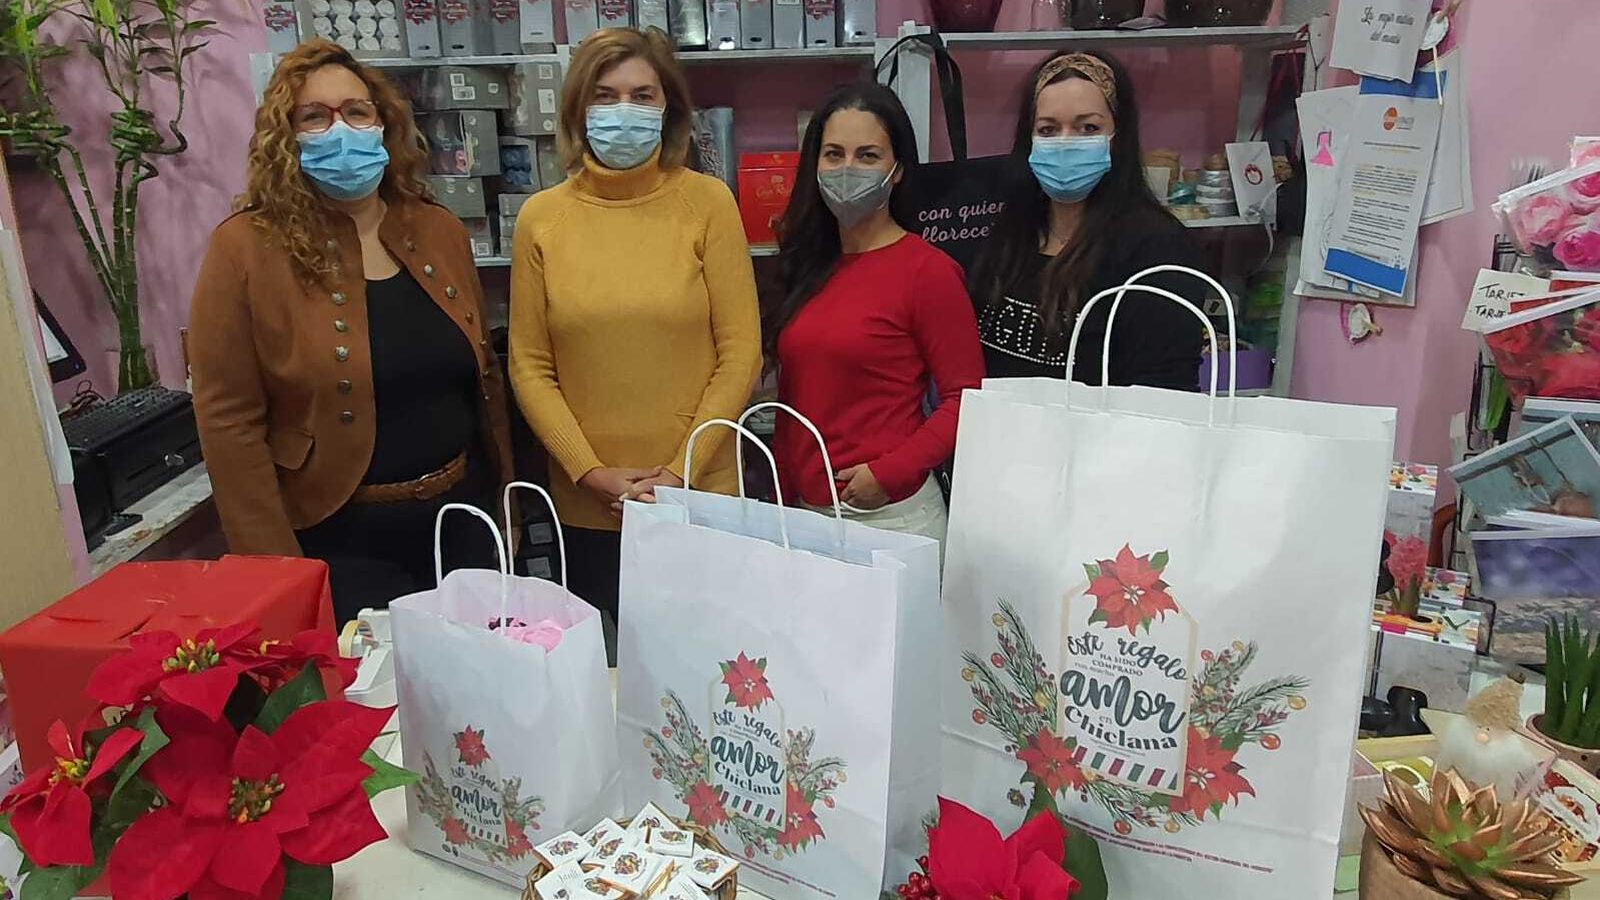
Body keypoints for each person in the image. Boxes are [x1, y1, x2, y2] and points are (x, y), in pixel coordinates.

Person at [189, 39, 512, 624]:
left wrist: (505, 504)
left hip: (463, 525)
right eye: (316, 116)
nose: (342, 129)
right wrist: (276, 571)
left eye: (357, 112)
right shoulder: (244, 248)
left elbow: (481, 374)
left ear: (383, 124)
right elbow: (228, 419)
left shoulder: (435, 227)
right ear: (286, 137)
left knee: (477, 704)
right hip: (340, 542)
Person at [508, 27, 761, 619]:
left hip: (701, 497)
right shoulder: (540, 219)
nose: (625, 111)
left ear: (668, 107)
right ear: (577, 109)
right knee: (609, 682)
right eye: (606, 94)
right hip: (590, 506)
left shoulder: (708, 204)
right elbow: (528, 364)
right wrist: (588, 471)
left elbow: (741, 350)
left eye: (643, 95)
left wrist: (680, 472)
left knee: (715, 674)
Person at [765, 83, 984, 544]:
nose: (848, 169)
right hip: (806, 516)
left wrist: (891, 472)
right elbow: (795, 397)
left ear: (898, 169)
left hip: (890, 517)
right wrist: (784, 492)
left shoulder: (928, 272)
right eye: (834, 154)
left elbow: (967, 398)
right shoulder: (806, 265)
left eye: (867, 156)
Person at [969, 50, 1206, 388]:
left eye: (1088, 127)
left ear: (1118, 136)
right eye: (1048, 129)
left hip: (1101, 440)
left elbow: (1163, 397)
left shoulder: (1158, 251)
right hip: (1001, 435)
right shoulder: (1009, 233)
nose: (1066, 143)